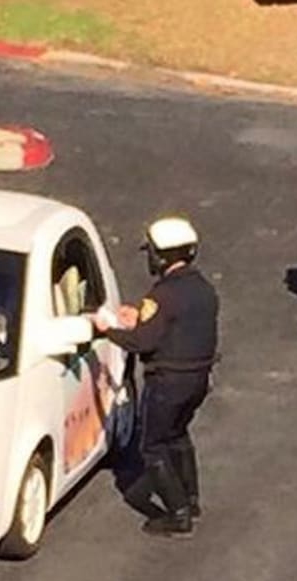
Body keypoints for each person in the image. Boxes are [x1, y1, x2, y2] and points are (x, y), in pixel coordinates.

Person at [92, 215, 219, 538]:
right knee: (178, 435)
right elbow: (175, 328)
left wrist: (108, 331)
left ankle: (177, 513)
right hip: (198, 379)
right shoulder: (203, 289)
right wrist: (139, 318)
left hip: (167, 382)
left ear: (160, 256)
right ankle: (191, 499)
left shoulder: (162, 295)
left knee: (153, 446)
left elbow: (143, 342)